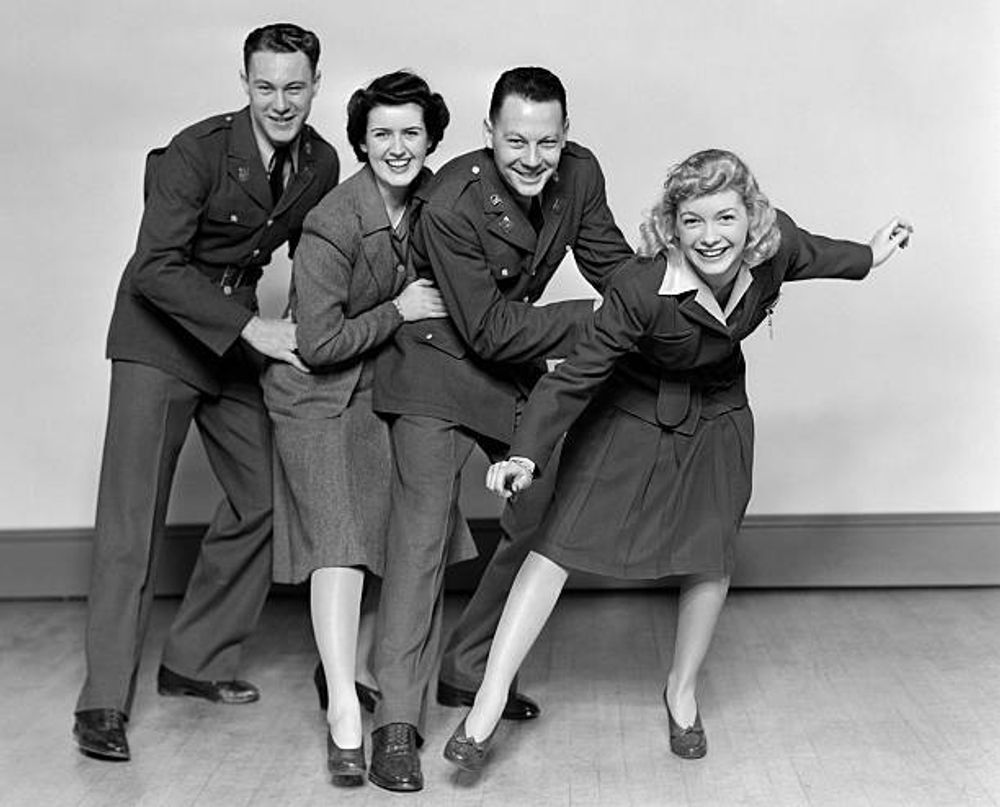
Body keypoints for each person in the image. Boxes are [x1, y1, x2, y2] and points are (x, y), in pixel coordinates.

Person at [443, 148, 913, 772]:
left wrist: (872, 256)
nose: (710, 236)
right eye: (692, 221)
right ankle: (488, 702)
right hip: (630, 410)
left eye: (725, 218)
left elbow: (821, 254)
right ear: (673, 226)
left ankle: (682, 693)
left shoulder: (774, 249)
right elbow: (574, 377)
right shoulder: (642, 287)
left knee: (709, 551)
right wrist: (527, 457)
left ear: (753, 220)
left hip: (717, 414)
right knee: (555, 542)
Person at [73, 23, 340, 763]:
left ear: (316, 83)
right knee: (131, 522)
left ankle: (194, 659)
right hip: (160, 336)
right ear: (244, 82)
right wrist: (252, 329)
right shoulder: (195, 151)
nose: (279, 102)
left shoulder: (320, 161)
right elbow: (154, 267)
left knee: (263, 498)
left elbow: (319, 256)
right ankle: (101, 702)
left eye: (294, 86)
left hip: (231, 342)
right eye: (265, 86)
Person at [368, 66, 633, 793]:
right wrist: (593, 321)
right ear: (489, 135)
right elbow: (485, 329)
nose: (531, 157)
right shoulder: (451, 200)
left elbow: (615, 268)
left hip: (505, 366)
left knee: (541, 513)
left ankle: (468, 667)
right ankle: (394, 722)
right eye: (515, 139)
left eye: (546, 141)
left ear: (566, 135)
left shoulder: (579, 175)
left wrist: (683, 295)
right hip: (432, 364)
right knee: (421, 537)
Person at [260, 71, 453, 787]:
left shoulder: (440, 201)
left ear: (431, 137)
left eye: (410, 132)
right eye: (381, 135)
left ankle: (358, 669)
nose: (396, 147)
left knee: (400, 536)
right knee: (338, 542)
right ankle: (344, 708)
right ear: (361, 143)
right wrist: (400, 310)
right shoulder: (333, 221)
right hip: (315, 395)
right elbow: (317, 342)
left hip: (380, 392)